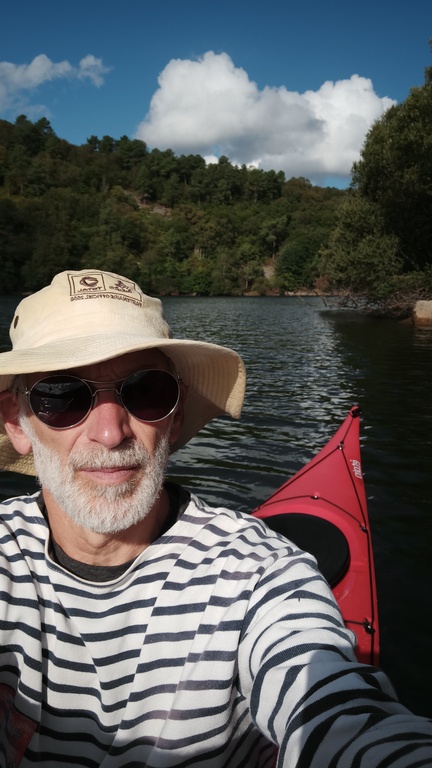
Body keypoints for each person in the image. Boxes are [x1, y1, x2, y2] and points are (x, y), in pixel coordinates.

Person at [0, 268, 430, 768]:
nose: (111, 433)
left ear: (175, 416)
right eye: (63, 395)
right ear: (18, 424)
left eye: (146, 391)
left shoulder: (260, 575)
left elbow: (338, 713)